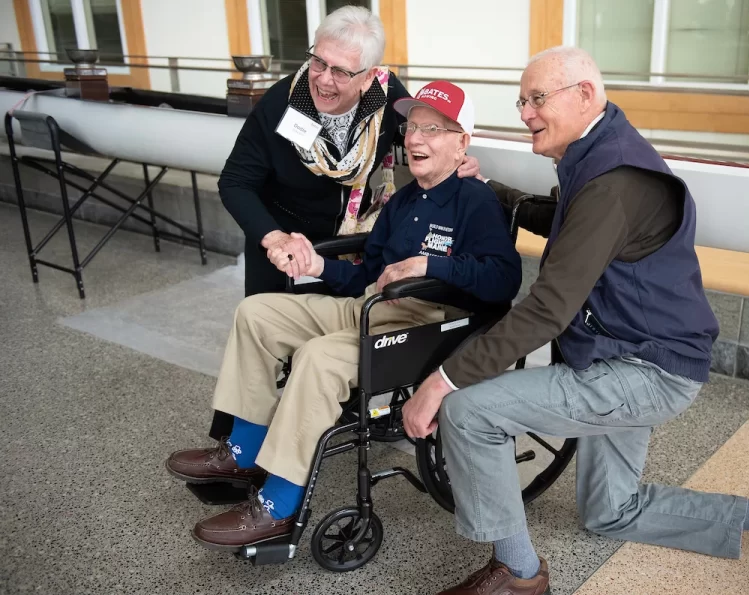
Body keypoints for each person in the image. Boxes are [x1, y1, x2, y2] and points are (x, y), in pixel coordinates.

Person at [402, 47, 749, 595]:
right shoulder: (599, 152)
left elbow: (549, 309)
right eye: (521, 99)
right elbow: (577, 225)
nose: (524, 112)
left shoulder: (612, 180)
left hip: (644, 369)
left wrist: (442, 380)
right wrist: (502, 197)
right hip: (639, 352)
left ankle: (520, 576)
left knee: (469, 409)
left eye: (537, 98)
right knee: (610, 513)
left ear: (585, 95)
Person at [166, 81, 523, 552]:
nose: (415, 139)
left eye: (433, 129)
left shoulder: (474, 201)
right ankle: (244, 450)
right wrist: (319, 267)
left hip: (432, 322)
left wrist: (428, 265)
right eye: (412, 127)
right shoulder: (402, 201)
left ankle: (279, 505)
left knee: (318, 357)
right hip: (372, 306)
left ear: (462, 143)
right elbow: (366, 279)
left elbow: (504, 281)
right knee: (257, 312)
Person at [210, 5, 471, 440]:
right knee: (258, 332)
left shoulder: (386, 98)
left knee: (338, 343)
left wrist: (459, 159)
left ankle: (314, 430)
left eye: (341, 71)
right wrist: (273, 237)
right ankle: (236, 445)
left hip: (351, 238)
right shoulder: (283, 101)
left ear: (370, 75)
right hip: (283, 234)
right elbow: (235, 181)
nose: (324, 79)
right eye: (319, 62)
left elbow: (428, 136)